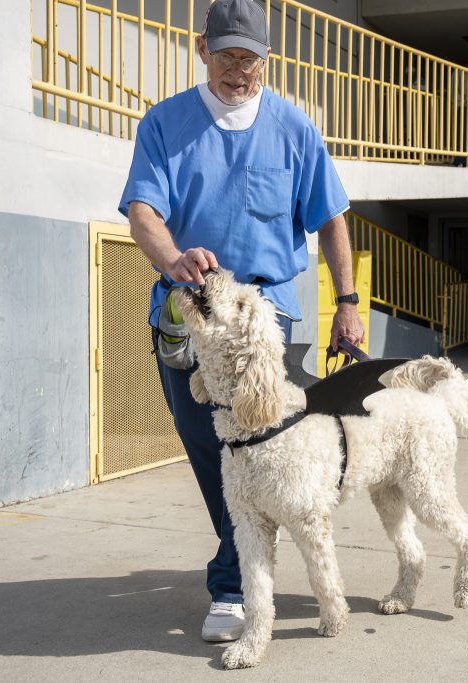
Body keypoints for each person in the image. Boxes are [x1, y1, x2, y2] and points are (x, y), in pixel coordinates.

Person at [118, 0, 364, 643]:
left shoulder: (292, 126)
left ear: (265, 60)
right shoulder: (166, 123)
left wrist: (347, 301)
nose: (238, 69)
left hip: (273, 319)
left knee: (272, 451)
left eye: (249, 57)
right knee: (215, 455)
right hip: (192, 312)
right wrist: (173, 259)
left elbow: (331, 216)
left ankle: (233, 586)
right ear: (202, 50)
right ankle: (243, 572)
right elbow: (143, 210)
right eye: (226, 55)